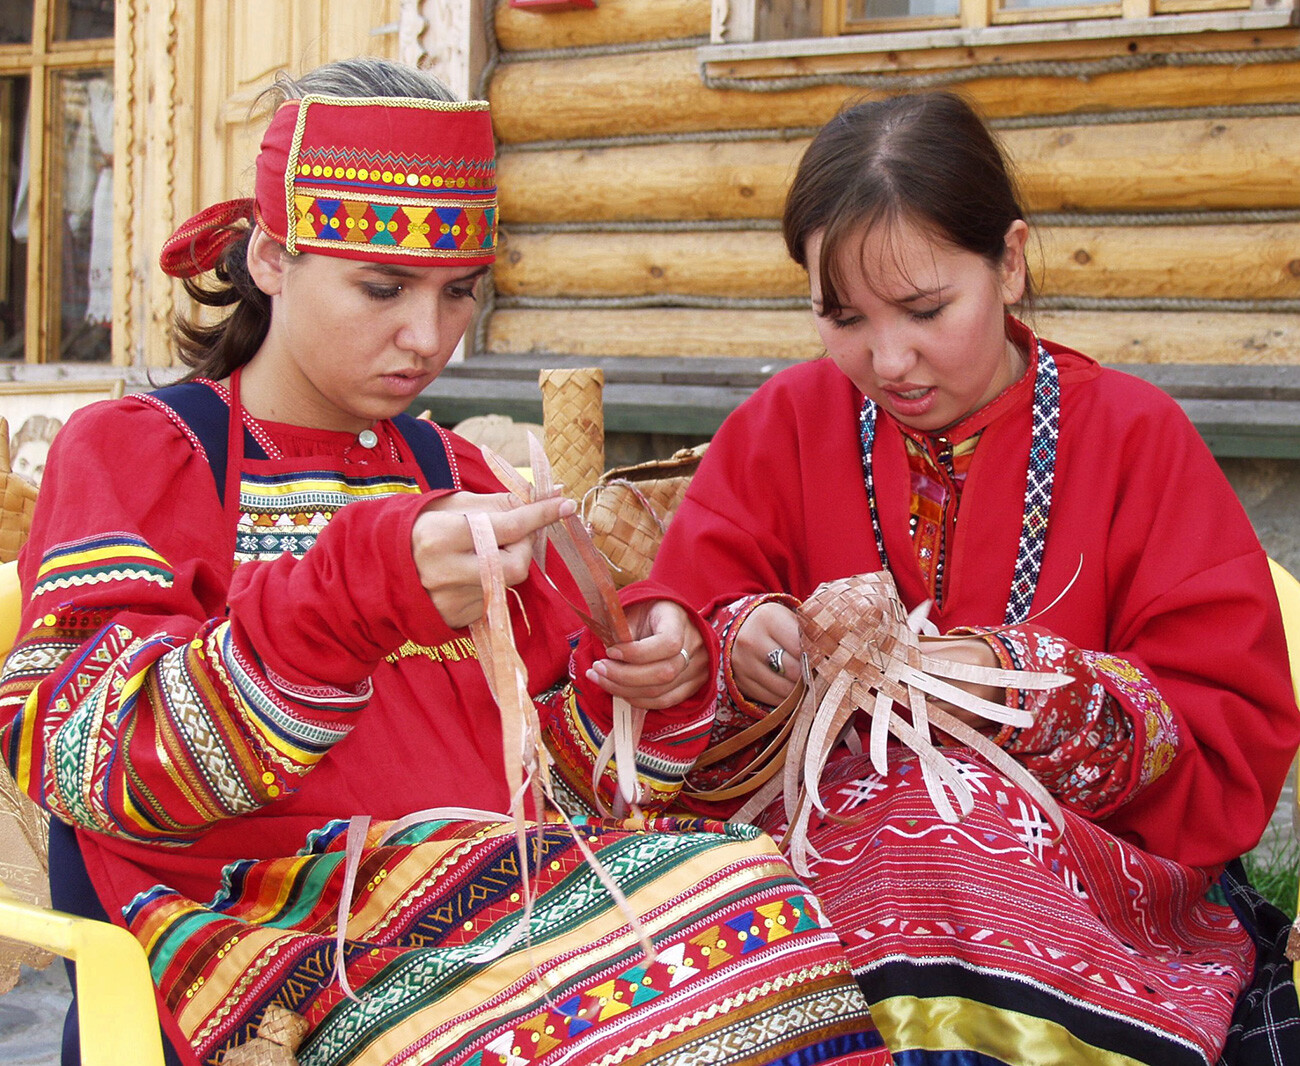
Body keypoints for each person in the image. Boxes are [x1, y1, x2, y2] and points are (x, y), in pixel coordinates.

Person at [0, 58, 891, 1066]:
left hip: (490, 906)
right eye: (380, 286)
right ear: (271, 258)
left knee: (759, 903)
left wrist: (655, 674)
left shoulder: (452, 469)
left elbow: (567, 774)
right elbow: (79, 755)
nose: (426, 337)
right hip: (258, 945)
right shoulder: (145, 454)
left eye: (458, 292)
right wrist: (357, 594)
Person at [651, 90, 1300, 1066]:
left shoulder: (1132, 439)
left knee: (924, 815)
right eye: (841, 317)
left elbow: (1224, 725)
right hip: (816, 888)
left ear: (1009, 260)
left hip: (1095, 897)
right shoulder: (783, 425)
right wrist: (745, 647)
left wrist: (1011, 687)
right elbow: (672, 642)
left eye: (924, 310)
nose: (887, 359)